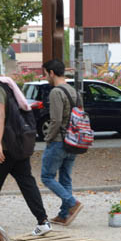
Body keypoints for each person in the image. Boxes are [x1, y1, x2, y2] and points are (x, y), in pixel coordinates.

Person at [0, 55, 52, 236]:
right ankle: (43, 221)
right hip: (18, 145)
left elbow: (0, 115)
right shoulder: (10, 85)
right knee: (27, 183)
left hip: (4, 147)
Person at [40, 59, 84, 226]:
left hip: (59, 141)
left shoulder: (56, 92)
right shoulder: (74, 91)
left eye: (45, 73)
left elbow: (55, 120)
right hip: (73, 141)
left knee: (47, 176)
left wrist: (48, 138)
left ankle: (72, 203)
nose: (45, 77)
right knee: (65, 178)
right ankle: (65, 214)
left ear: (51, 73)